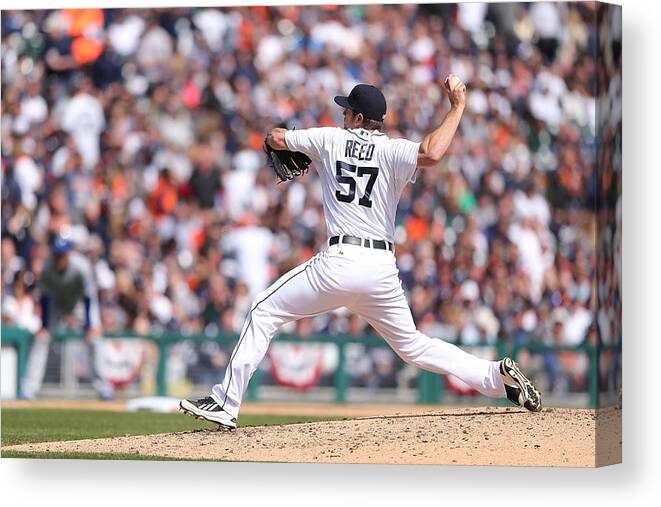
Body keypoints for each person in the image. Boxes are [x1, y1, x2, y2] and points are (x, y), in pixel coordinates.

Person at [180, 75, 542, 429]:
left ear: (356, 118)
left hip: (339, 262)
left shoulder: (329, 139)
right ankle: (494, 376)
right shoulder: (392, 148)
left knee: (263, 310)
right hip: (381, 269)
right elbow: (432, 151)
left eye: (346, 111)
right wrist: (457, 106)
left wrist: (281, 144)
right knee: (413, 345)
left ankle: (225, 403)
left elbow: (275, 136)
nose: (342, 116)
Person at [20, 234, 114, 400]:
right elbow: (45, 297)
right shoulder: (48, 266)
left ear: (69, 253)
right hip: (57, 303)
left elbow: (88, 296)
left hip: (79, 302)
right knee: (41, 339)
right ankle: (28, 389)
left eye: (63, 253)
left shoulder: (81, 266)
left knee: (95, 339)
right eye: (57, 253)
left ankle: (105, 388)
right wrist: (44, 325)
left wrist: (90, 324)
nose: (60, 257)